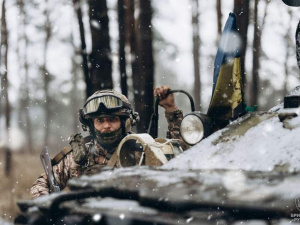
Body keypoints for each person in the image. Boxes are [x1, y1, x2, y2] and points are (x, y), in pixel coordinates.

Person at [30, 86, 186, 198]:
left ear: (125, 122)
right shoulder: (79, 157)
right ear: (91, 125)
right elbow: (41, 184)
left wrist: (171, 109)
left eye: (112, 119)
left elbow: (180, 159)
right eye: (99, 120)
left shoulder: (142, 150)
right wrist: (47, 205)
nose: (106, 126)